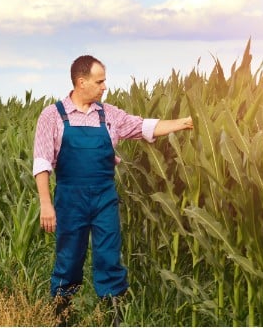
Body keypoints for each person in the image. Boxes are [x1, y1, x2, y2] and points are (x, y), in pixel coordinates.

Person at [32, 55, 193, 325]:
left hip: (104, 197)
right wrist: (46, 204)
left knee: (109, 256)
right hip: (70, 198)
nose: (104, 86)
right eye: (99, 81)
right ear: (81, 82)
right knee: (69, 258)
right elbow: (42, 161)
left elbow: (143, 127)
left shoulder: (109, 115)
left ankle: (114, 317)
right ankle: (61, 316)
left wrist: (182, 123)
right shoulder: (53, 115)